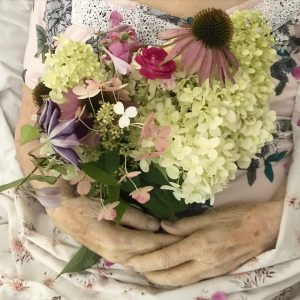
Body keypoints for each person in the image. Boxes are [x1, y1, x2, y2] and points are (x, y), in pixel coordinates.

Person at [4, 0, 300, 299]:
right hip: (77, 264)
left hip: (262, 267)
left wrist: (273, 225)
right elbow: (35, 126)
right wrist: (67, 211)